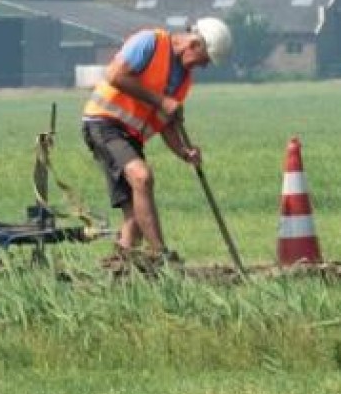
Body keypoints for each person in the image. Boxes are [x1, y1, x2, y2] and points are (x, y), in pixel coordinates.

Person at [81, 17, 232, 270]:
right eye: (204, 60)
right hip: (103, 122)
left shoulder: (183, 80)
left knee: (134, 216)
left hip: (131, 135)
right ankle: (160, 255)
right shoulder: (149, 43)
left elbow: (165, 123)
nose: (203, 67)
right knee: (142, 177)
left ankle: (122, 271)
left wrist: (184, 151)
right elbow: (115, 75)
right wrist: (161, 101)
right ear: (194, 44)